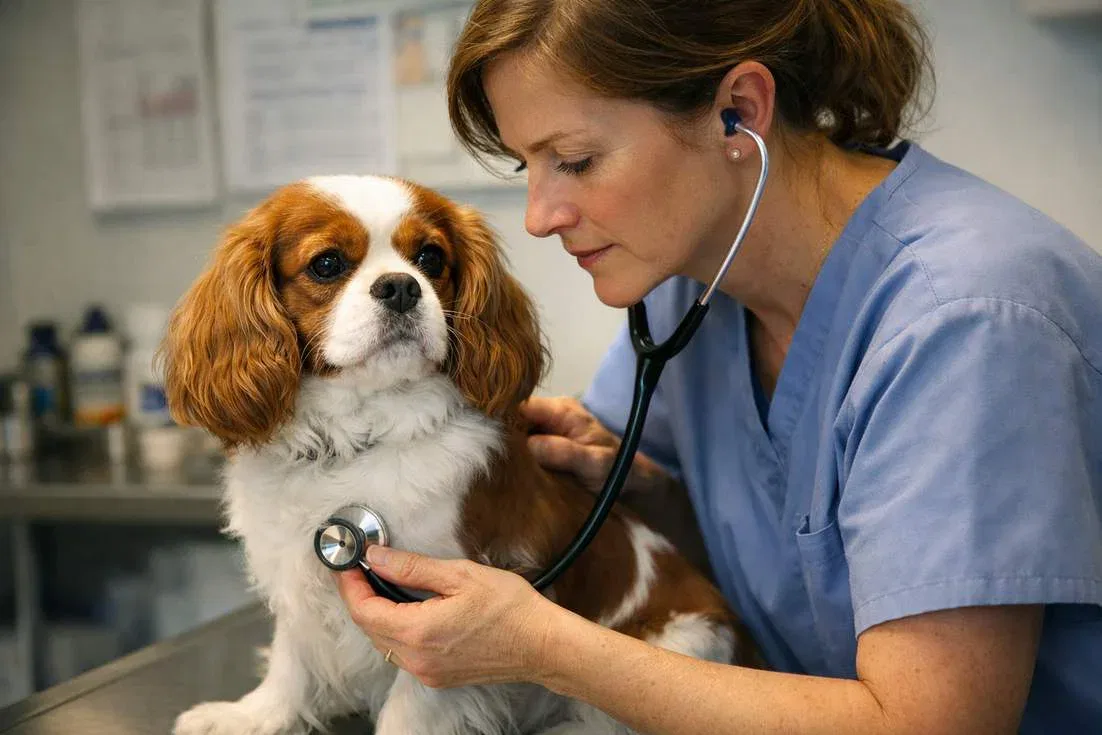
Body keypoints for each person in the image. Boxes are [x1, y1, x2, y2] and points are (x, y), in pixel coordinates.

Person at [332, 0, 1102, 732]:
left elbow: (928, 722)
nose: (539, 216)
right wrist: (650, 495)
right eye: (526, 166)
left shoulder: (962, 320)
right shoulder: (692, 288)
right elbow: (773, 564)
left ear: (739, 110)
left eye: (574, 160)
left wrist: (543, 646)